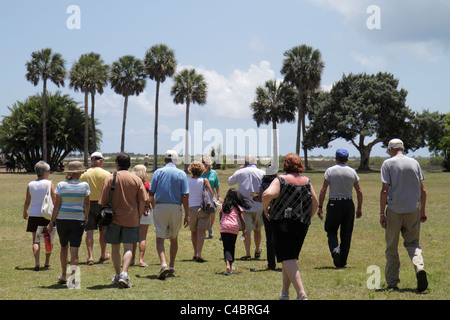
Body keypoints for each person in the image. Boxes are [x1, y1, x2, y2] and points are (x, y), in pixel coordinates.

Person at [262, 153, 319, 300]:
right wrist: (308, 217)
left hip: (281, 222)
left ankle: (301, 294)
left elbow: (267, 194)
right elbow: (316, 203)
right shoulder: (307, 181)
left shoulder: (280, 180)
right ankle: (285, 294)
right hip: (301, 223)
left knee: (287, 258)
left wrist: (265, 209)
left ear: (285, 164)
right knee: (289, 258)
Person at [380, 139, 428, 292]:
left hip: (394, 210)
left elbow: (385, 190)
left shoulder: (387, 164)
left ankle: (392, 282)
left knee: (392, 246)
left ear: (390, 149)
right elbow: (423, 190)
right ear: (403, 148)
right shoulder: (414, 163)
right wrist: (422, 211)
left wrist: (382, 213)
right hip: (412, 208)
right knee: (413, 243)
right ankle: (419, 268)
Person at [98, 153, 148, 288]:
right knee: (128, 247)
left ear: (117, 163)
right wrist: (139, 213)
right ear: (129, 164)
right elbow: (144, 199)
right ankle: (125, 274)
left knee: (115, 247)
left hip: (113, 218)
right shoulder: (136, 179)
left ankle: (117, 274)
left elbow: (102, 201)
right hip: (131, 217)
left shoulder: (110, 178)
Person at [46, 161, 90, 288]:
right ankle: (73, 280)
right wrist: (86, 216)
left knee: (64, 246)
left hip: (62, 219)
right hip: (78, 219)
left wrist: (52, 221)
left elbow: (57, 205)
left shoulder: (61, 185)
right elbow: (87, 204)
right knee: (74, 250)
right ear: (80, 172)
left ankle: (64, 275)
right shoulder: (85, 185)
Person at [317, 149, 363, 268]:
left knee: (331, 230)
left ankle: (335, 250)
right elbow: (359, 191)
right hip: (348, 204)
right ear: (347, 159)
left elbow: (323, 190)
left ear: (335, 158)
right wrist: (359, 208)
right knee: (346, 233)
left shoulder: (330, 171)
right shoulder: (352, 172)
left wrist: (320, 206)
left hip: (334, 204)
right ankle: (342, 261)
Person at [149, 150, 189, 280]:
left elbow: (151, 194)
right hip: (175, 207)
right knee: (174, 237)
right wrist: (187, 214)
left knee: (160, 238)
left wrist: (154, 207)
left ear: (164, 160)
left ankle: (163, 263)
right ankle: (171, 265)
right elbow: (185, 195)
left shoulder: (158, 172)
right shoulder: (181, 174)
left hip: (160, 206)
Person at [228, 155, 265, 260]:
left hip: (245, 206)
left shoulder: (240, 172)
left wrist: (238, 170)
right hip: (259, 205)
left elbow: (230, 182)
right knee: (258, 229)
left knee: (246, 230)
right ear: (256, 163)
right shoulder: (262, 173)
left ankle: (248, 254)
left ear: (245, 163)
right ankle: (257, 250)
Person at [23, 161, 56, 271]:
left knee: (35, 240)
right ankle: (47, 262)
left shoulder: (30, 184)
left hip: (34, 214)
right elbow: (54, 199)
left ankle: (37, 262)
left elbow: (27, 201)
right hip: (46, 214)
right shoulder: (49, 183)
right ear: (46, 172)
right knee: (48, 238)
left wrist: (25, 211)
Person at [80, 151, 111, 265]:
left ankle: (90, 256)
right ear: (101, 161)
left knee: (89, 231)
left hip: (87, 203)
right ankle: (103, 254)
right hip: (102, 203)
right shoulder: (107, 174)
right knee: (103, 230)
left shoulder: (84, 174)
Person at [188, 161, 214, 262]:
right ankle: (199, 252)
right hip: (203, 208)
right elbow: (211, 194)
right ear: (202, 170)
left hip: (191, 208)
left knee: (193, 231)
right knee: (201, 231)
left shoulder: (187, 180)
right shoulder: (204, 180)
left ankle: (195, 253)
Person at [219, 188, 249, 275]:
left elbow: (220, 219)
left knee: (226, 247)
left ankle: (227, 264)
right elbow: (242, 221)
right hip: (234, 228)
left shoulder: (223, 206)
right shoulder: (238, 207)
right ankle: (230, 265)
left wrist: (222, 232)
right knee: (232, 246)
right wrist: (244, 231)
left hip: (224, 227)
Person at [131, 164, 155, 267]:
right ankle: (141, 260)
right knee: (142, 237)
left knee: (132, 238)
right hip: (145, 211)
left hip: (133, 212)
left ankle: (131, 260)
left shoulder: (131, 184)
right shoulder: (148, 185)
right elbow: (152, 199)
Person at [201, 155, 222, 238]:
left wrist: (218, 195)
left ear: (209, 163)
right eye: (202, 162)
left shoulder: (213, 173)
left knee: (213, 212)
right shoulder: (200, 172)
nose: (203, 164)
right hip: (202, 194)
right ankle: (203, 229)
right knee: (203, 212)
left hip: (211, 193)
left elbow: (217, 184)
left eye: (204, 162)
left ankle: (210, 227)